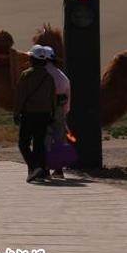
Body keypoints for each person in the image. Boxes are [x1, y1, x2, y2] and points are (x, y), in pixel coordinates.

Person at [14, 45, 57, 183]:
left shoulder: (26, 75)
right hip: (45, 115)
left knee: (23, 143)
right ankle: (41, 171)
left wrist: (16, 113)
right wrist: (52, 114)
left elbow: (20, 97)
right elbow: (53, 98)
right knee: (39, 143)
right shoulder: (49, 77)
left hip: (29, 114)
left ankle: (34, 167)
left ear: (32, 59)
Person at [42, 46, 71, 178]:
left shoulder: (38, 75)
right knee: (59, 139)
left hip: (43, 109)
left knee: (45, 138)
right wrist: (63, 112)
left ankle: (46, 169)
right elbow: (67, 97)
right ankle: (59, 169)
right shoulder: (62, 76)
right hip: (59, 110)